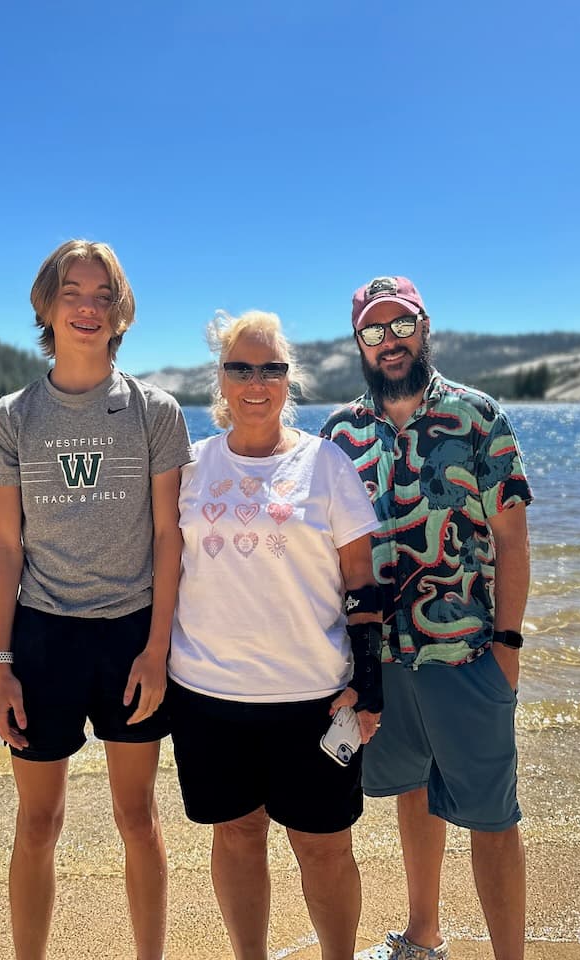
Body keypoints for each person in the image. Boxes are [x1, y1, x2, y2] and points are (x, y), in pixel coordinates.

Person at [0, 239, 191, 960]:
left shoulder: (155, 411)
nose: (87, 308)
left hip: (131, 636)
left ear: (120, 312)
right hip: (43, 638)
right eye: (72, 292)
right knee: (38, 825)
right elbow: (6, 546)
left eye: (102, 296)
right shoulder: (13, 416)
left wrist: (157, 649)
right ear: (47, 305)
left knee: (137, 818)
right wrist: (0, 663)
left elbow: (169, 536)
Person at [321, 276, 534, 960]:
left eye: (401, 325)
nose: (390, 342)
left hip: (466, 653)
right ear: (359, 342)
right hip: (381, 662)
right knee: (411, 789)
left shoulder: (478, 418)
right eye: (374, 331)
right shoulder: (339, 434)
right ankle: (424, 936)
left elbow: (512, 540)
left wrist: (507, 645)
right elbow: (326, 553)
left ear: (425, 328)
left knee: (492, 815)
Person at [167, 310, 385, 960]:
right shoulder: (189, 467)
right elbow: (162, 570)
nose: (255, 383)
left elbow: (362, 580)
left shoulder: (326, 463)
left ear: (289, 379)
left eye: (270, 369)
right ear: (221, 379)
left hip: (314, 697)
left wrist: (370, 684)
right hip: (208, 695)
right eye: (240, 368)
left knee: (324, 847)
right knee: (237, 836)